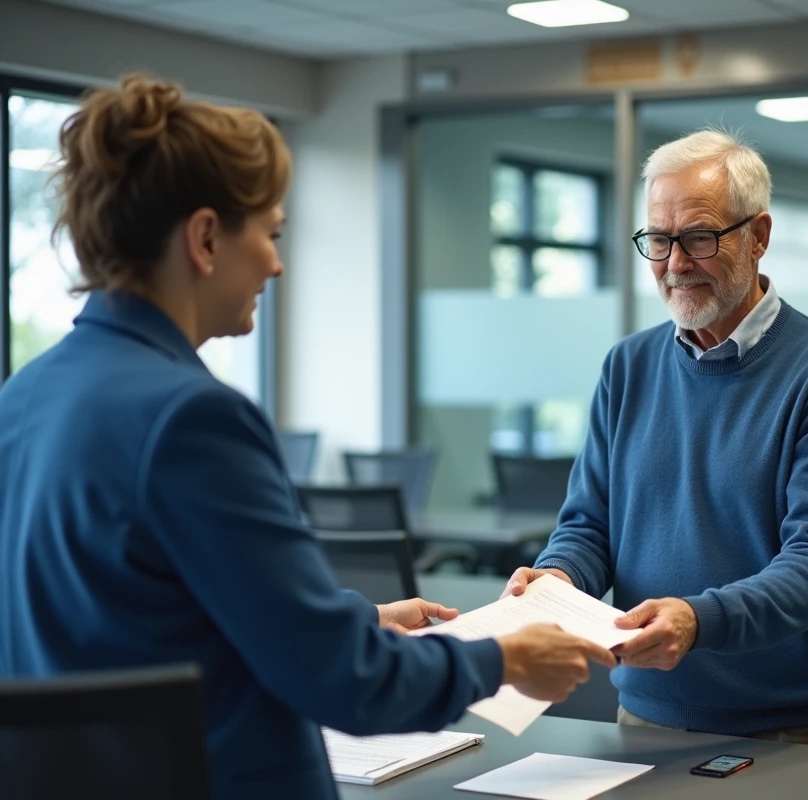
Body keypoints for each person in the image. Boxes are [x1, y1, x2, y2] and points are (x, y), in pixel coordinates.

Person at [0, 75, 614, 799]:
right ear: (203, 239)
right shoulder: (194, 419)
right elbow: (346, 684)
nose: (276, 263)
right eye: (269, 233)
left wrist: (352, 620)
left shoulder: (24, 396)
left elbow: (133, 620)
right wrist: (500, 661)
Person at [506, 129, 808, 748]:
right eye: (658, 240)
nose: (675, 263)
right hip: (647, 712)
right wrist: (558, 578)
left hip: (791, 725)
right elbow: (589, 523)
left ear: (758, 237)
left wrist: (699, 620)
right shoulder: (628, 367)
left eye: (700, 238)